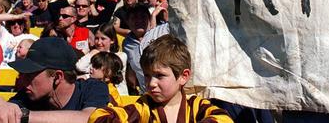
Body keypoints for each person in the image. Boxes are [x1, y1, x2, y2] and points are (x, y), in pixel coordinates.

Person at [88, 34, 233, 123]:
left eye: (160, 76)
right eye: (147, 75)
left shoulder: (195, 106)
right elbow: (99, 117)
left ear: (183, 76)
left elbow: (224, 119)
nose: (151, 83)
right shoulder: (143, 108)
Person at [0, 37, 109, 123]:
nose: (23, 79)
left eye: (30, 74)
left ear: (58, 77)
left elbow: (89, 118)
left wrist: (24, 116)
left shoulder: (93, 88)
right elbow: (1, 110)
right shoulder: (29, 95)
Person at [76, 22, 128, 94]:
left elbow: (105, 73)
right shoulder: (93, 55)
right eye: (97, 38)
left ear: (112, 40)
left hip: (119, 95)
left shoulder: (120, 56)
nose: (99, 42)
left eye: (103, 39)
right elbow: (80, 66)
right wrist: (91, 53)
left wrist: (85, 76)